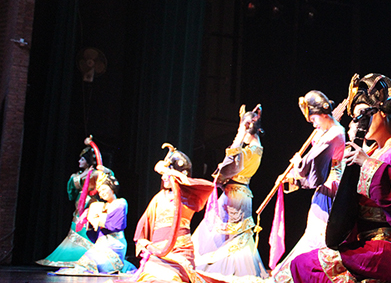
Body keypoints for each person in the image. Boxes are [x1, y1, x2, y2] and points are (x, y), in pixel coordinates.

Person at [288, 73, 391, 282]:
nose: (360, 122)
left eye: (365, 114)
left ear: (383, 112)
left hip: (381, 247)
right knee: (301, 264)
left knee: (304, 266)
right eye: (357, 117)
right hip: (366, 244)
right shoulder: (375, 152)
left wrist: (367, 164)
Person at [270, 91, 346, 282]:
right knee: (313, 235)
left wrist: (297, 164)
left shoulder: (333, 134)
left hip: (330, 189)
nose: (313, 124)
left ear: (324, 114)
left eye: (314, 118)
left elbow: (309, 170)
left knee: (317, 239)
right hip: (328, 188)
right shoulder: (329, 130)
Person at [192, 105, 268, 280]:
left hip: (234, 196)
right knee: (233, 237)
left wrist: (238, 137)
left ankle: (223, 274)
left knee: (229, 237)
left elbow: (227, 168)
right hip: (240, 193)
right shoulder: (256, 149)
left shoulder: (249, 151)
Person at [125, 144, 214, 283]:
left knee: (169, 279)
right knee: (148, 278)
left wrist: (168, 171)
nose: (164, 178)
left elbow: (207, 186)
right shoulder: (159, 197)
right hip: (157, 253)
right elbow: (143, 227)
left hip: (179, 251)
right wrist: (146, 244)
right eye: (163, 175)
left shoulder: (187, 195)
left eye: (167, 174)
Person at [36, 142, 107, 267]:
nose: (79, 161)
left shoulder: (95, 173)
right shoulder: (76, 175)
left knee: (88, 228)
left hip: (91, 203)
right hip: (79, 204)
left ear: (88, 161)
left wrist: (92, 145)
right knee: (76, 227)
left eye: (82, 159)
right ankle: (72, 257)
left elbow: (106, 179)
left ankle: (87, 258)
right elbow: (72, 190)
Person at [53, 173, 137, 275]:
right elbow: (94, 225)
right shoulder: (100, 206)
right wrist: (89, 219)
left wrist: (97, 219)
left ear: (112, 188)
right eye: (100, 191)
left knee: (99, 265)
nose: (102, 193)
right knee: (84, 264)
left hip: (115, 243)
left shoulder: (120, 203)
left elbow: (116, 224)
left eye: (104, 189)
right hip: (101, 243)